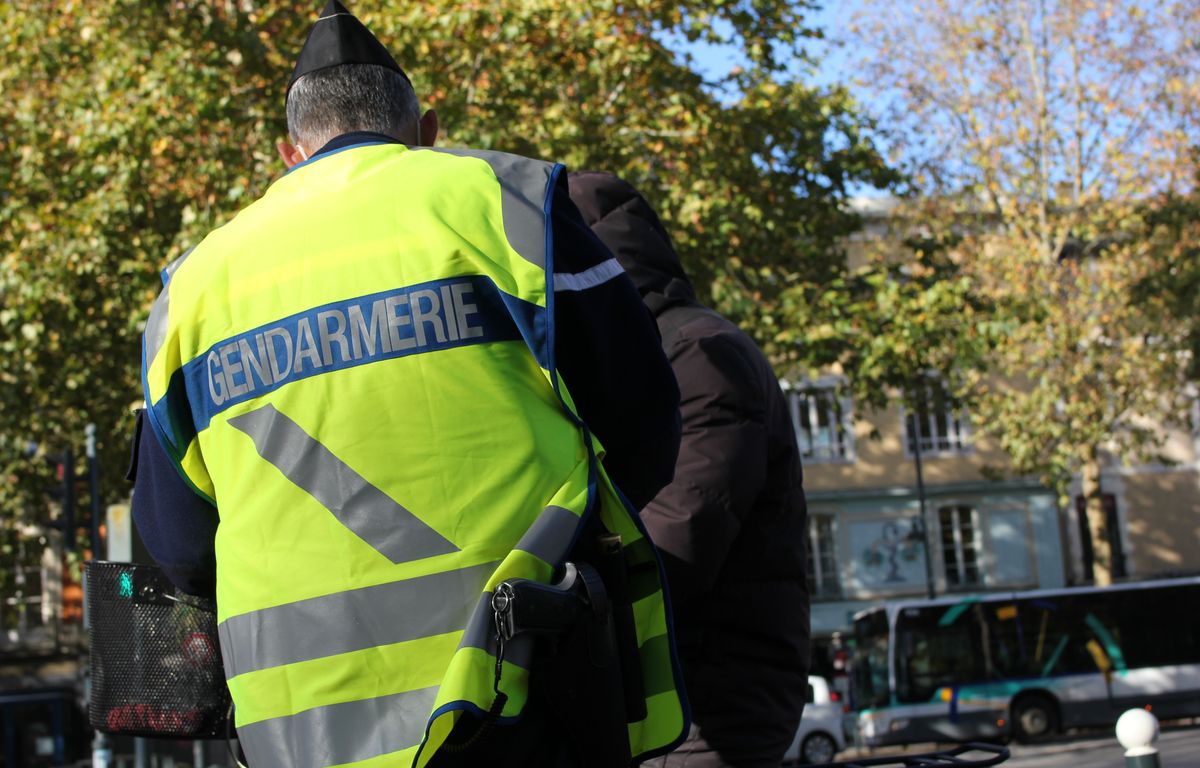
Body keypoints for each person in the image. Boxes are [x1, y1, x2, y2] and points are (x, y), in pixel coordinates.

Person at [130, 4, 690, 766]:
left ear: (289, 154)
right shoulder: (508, 206)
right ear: (427, 130)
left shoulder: (189, 294)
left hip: (297, 736)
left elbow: (179, 552)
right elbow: (641, 419)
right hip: (519, 692)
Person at [569, 172, 810, 768]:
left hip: (708, 708)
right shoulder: (656, 354)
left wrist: (560, 604)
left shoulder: (698, 354)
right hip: (679, 699)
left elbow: (679, 536)